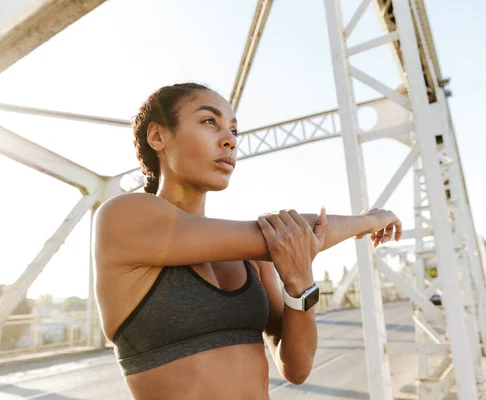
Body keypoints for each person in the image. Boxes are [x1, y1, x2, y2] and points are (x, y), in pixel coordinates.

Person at [93, 82, 402, 400]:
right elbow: (296, 234)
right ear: (158, 136)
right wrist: (370, 221)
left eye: (235, 130)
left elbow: (296, 368)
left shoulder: (249, 257)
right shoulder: (123, 217)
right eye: (209, 121)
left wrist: (300, 285)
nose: (229, 141)